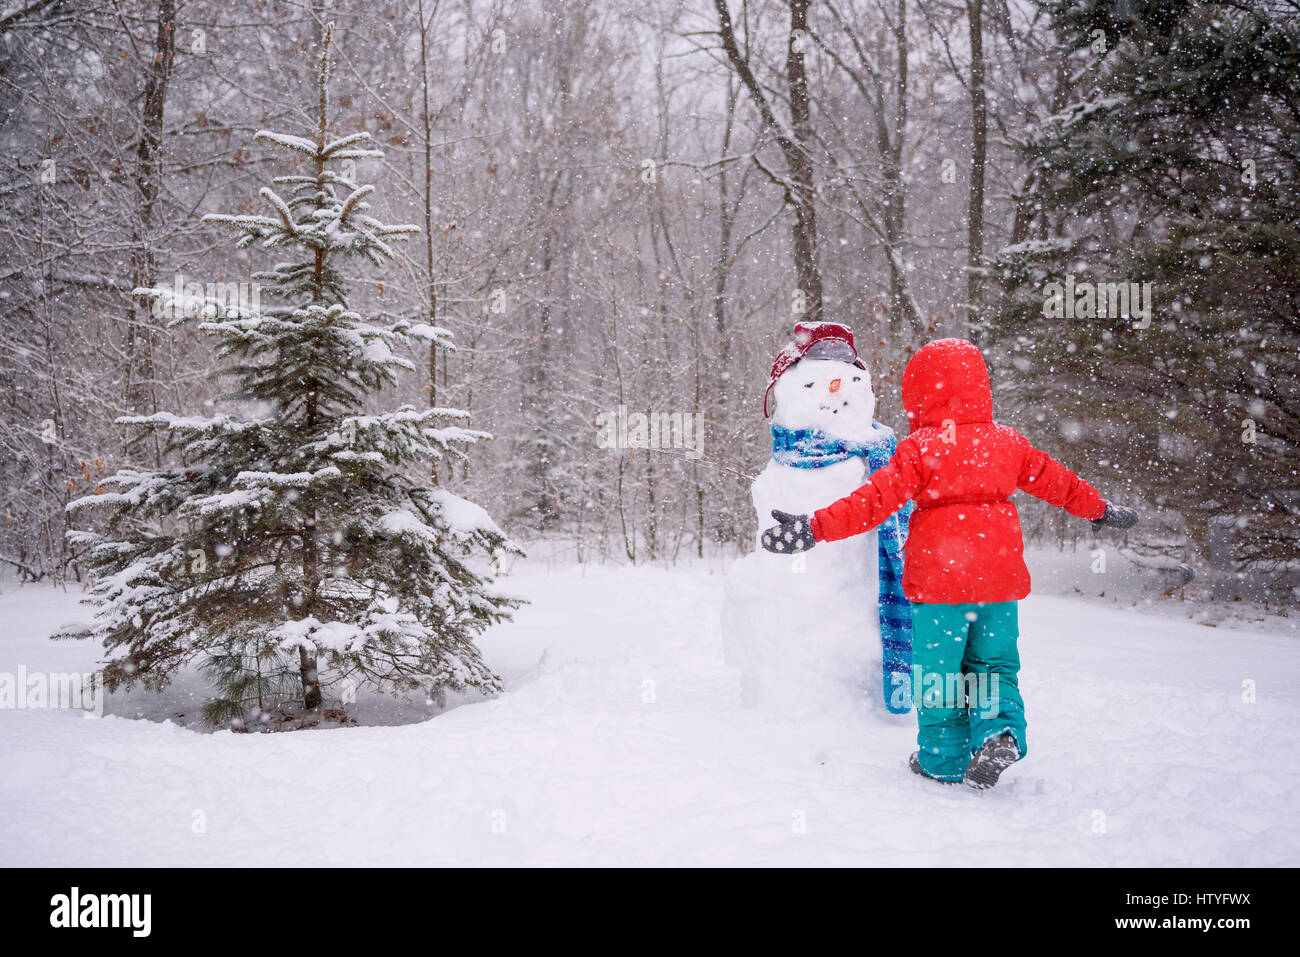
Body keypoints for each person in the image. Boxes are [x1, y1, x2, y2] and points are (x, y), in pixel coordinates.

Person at [760, 338, 1138, 789]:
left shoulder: (921, 449)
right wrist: (1099, 509)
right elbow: (1057, 481)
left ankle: (944, 759)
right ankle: (998, 731)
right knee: (994, 665)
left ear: (919, 394)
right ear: (981, 387)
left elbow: (873, 502)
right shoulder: (1007, 443)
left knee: (939, 672)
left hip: (939, 588)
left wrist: (813, 527)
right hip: (998, 585)